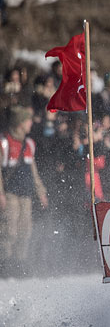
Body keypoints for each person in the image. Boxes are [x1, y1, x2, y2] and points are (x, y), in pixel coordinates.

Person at [0, 107, 48, 270]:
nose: (30, 123)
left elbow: (33, 172)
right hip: (10, 194)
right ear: (20, 123)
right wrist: (1, 194)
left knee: (25, 230)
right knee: (9, 230)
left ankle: (19, 263)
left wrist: (41, 192)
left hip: (26, 194)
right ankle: (5, 262)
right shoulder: (4, 143)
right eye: (28, 120)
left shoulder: (29, 144)